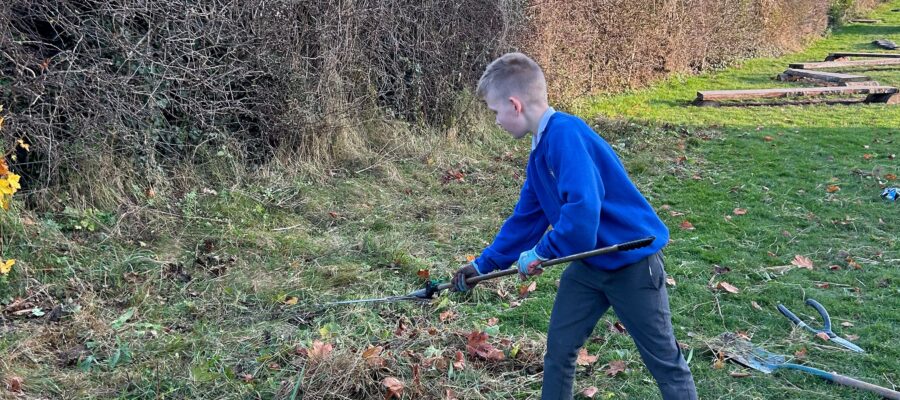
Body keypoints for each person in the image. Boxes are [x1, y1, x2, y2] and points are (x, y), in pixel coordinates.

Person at [450, 52, 697, 400]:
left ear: (514, 104)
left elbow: (582, 217)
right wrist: (481, 265)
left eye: (494, 112)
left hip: (633, 265)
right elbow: (525, 220)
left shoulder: (567, 136)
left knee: (664, 361)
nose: (495, 121)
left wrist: (541, 253)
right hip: (588, 266)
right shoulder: (539, 155)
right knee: (560, 352)